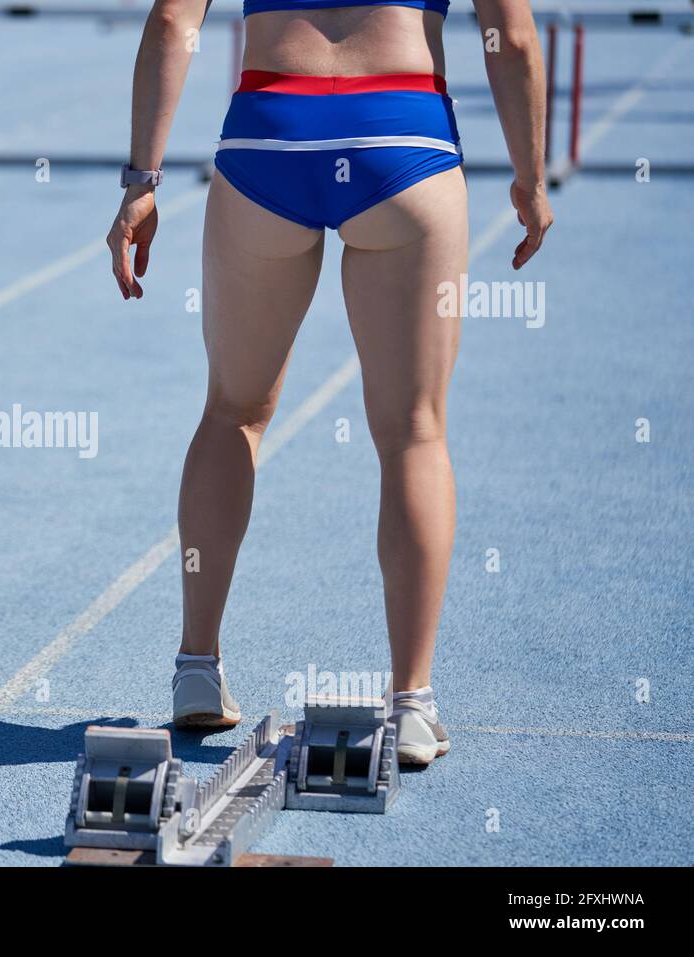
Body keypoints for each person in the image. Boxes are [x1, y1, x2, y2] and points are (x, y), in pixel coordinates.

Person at [107, 0, 552, 762]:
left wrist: (140, 181)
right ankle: (411, 703)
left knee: (232, 412)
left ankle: (195, 669)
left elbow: (170, 24)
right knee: (415, 430)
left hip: (269, 130)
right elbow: (509, 37)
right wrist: (531, 179)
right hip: (401, 129)